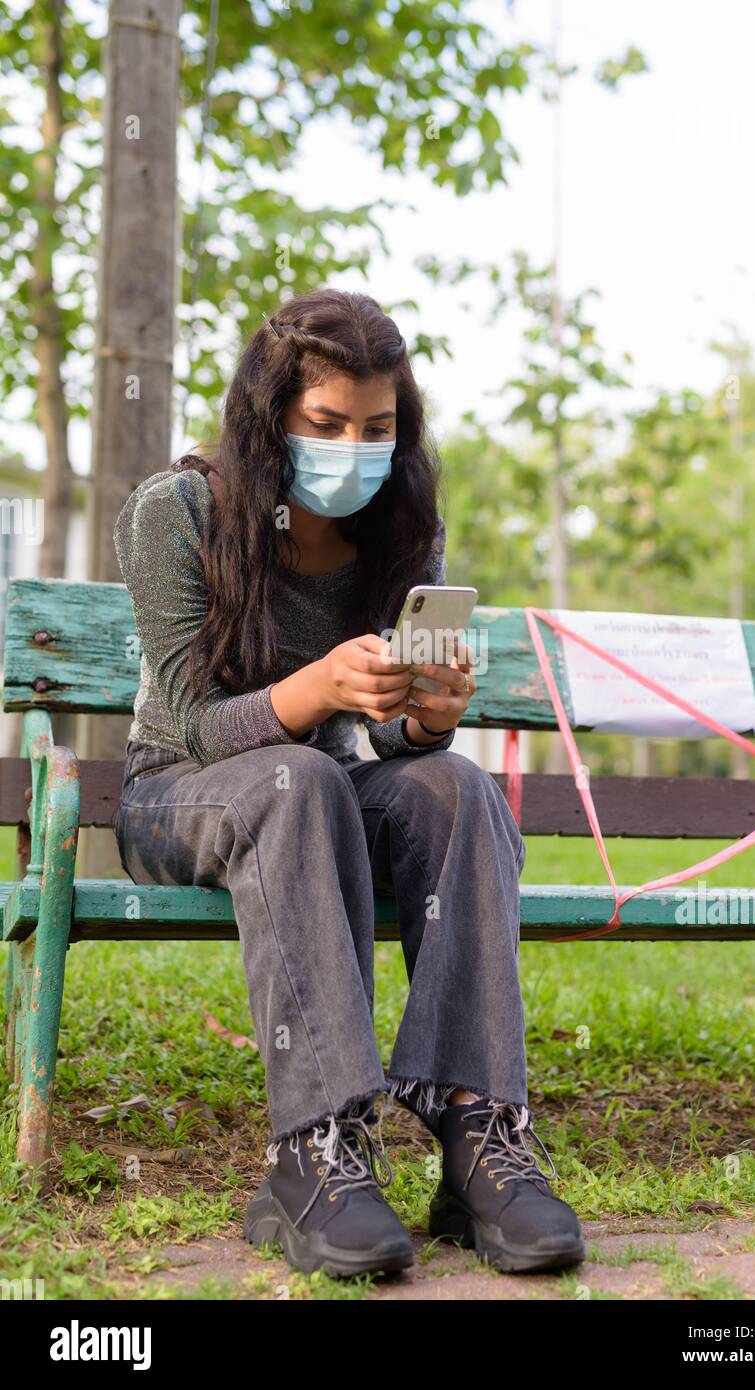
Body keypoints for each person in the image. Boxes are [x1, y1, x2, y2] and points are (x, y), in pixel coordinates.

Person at [111, 287, 585, 1279]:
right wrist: (315, 684)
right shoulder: (177, 513)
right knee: (291, 778)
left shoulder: (401, 530)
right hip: (178, 796)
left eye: (377, 428)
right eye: (326, 425)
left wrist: (421, 719)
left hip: (317, 792)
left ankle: (479, 1131)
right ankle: (317, 1149)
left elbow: (376, 753)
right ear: (271, 416)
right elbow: (196, 726)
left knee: (454, 786)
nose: (352, 449)